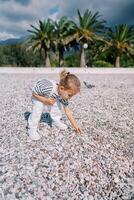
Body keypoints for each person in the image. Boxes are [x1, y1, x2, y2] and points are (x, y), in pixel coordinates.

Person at [27, 69, 81, 140]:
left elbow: (67, 111)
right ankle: (32, 128)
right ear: (62, 88)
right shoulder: (48, 87)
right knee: (38, 108)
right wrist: (45, 100)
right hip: (38, 95)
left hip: (50, 97)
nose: (70, 98)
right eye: (69, 95)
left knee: (57, 105)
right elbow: (34, 93)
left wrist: (76, 126)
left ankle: (56, 121)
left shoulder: (63, 95)